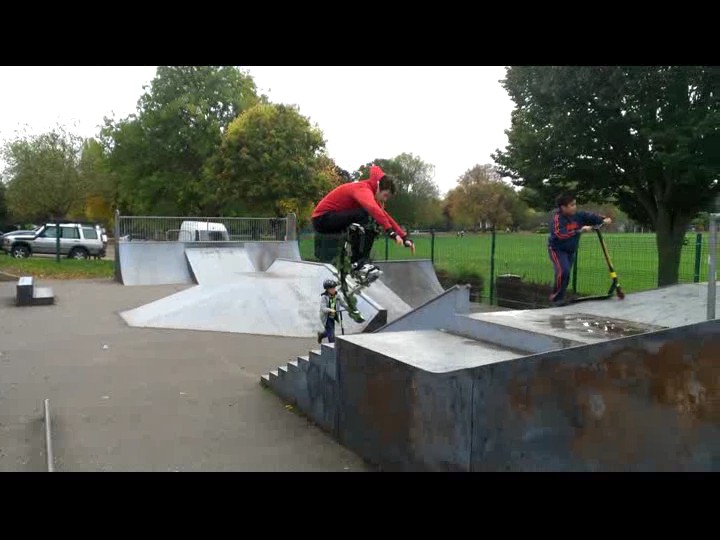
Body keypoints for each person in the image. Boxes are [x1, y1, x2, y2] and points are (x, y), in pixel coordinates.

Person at [311, 164, 416, 284]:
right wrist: (390, 232)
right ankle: (359, 262)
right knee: (367, 213)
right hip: (322, 219)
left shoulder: (370, 194)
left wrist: (403, 237)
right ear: (378, 187)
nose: (385, 200)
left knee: (374, 219)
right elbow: (373, 209)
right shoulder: (363, 189)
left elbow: (385, 216)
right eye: (385, 195)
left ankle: (359, 261)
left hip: (334, 219)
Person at [548, 193, 612, 306]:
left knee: (566, 275)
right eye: (571, 205)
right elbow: (560, 234)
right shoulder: (557, 219)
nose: (574, 207)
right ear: (563, 207)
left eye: (575, 204)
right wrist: (579, 230)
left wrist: (604, 219)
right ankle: (556, 298)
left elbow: (592, 217)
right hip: (557, 250)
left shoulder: (579, 216)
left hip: (570, 250)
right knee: (563, 271)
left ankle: (560, 298)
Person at [317, 279, 348, 344]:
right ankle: (332, 347)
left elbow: (343, 303)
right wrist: (330, 310)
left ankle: (321, 335)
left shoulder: (337, 295)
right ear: (327, 289)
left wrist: (349, 308)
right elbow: (323, 308)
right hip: (326, 317)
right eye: (331, 289)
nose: (334, 290)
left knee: (329, 331)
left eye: (334, 288)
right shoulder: (324, 297)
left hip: (333, 316)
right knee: (331, 333)